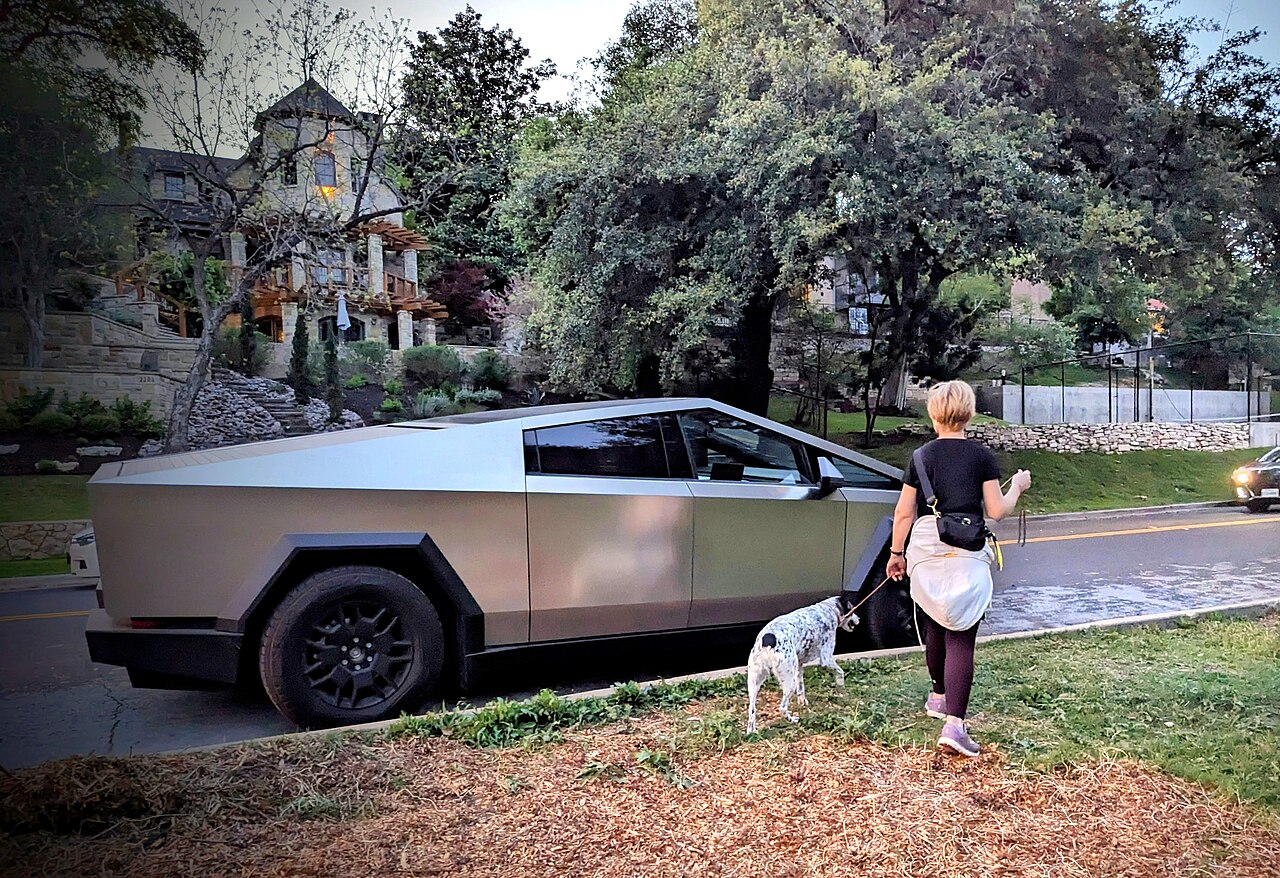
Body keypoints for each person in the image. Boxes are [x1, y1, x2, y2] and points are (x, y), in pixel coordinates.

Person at [885, 380, 1031, 757]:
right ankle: (955, 725)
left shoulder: (920, 457)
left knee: (935, 620)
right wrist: (1017, 486)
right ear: (968, 412)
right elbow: (996, 511)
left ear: (933, 413)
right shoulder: (981, 456)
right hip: (967, 548)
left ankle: (937, 696)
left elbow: (903, 512)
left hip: (927, 548)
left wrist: (896, 553)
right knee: (961, 634)